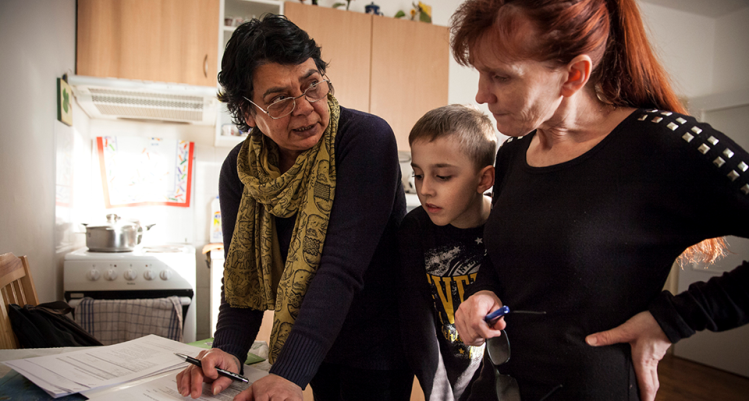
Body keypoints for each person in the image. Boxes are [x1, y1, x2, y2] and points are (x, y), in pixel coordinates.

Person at [449, 0, 749, 400]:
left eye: (501, 76)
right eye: (481, 72)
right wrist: (484, 291)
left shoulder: (662, 144)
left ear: (574, 74)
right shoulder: (513, 153)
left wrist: (674, 320)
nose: (481, 94)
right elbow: (504, 256)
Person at [175, 14, 412, 401]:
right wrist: (228, 351)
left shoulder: (365, 140)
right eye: (279, 99)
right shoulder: (241, 171)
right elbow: (241, 277)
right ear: (248, 113)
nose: (304, 107)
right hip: (311, 347)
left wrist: (288, 372)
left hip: (375, 348)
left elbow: (340, 269)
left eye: (312, 84)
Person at [398, 105, 497, 401]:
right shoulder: (415, 230)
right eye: (417, 174)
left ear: (483, 180)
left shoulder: (506, 225)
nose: (425, 189)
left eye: (442, 176)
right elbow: (418, 328)